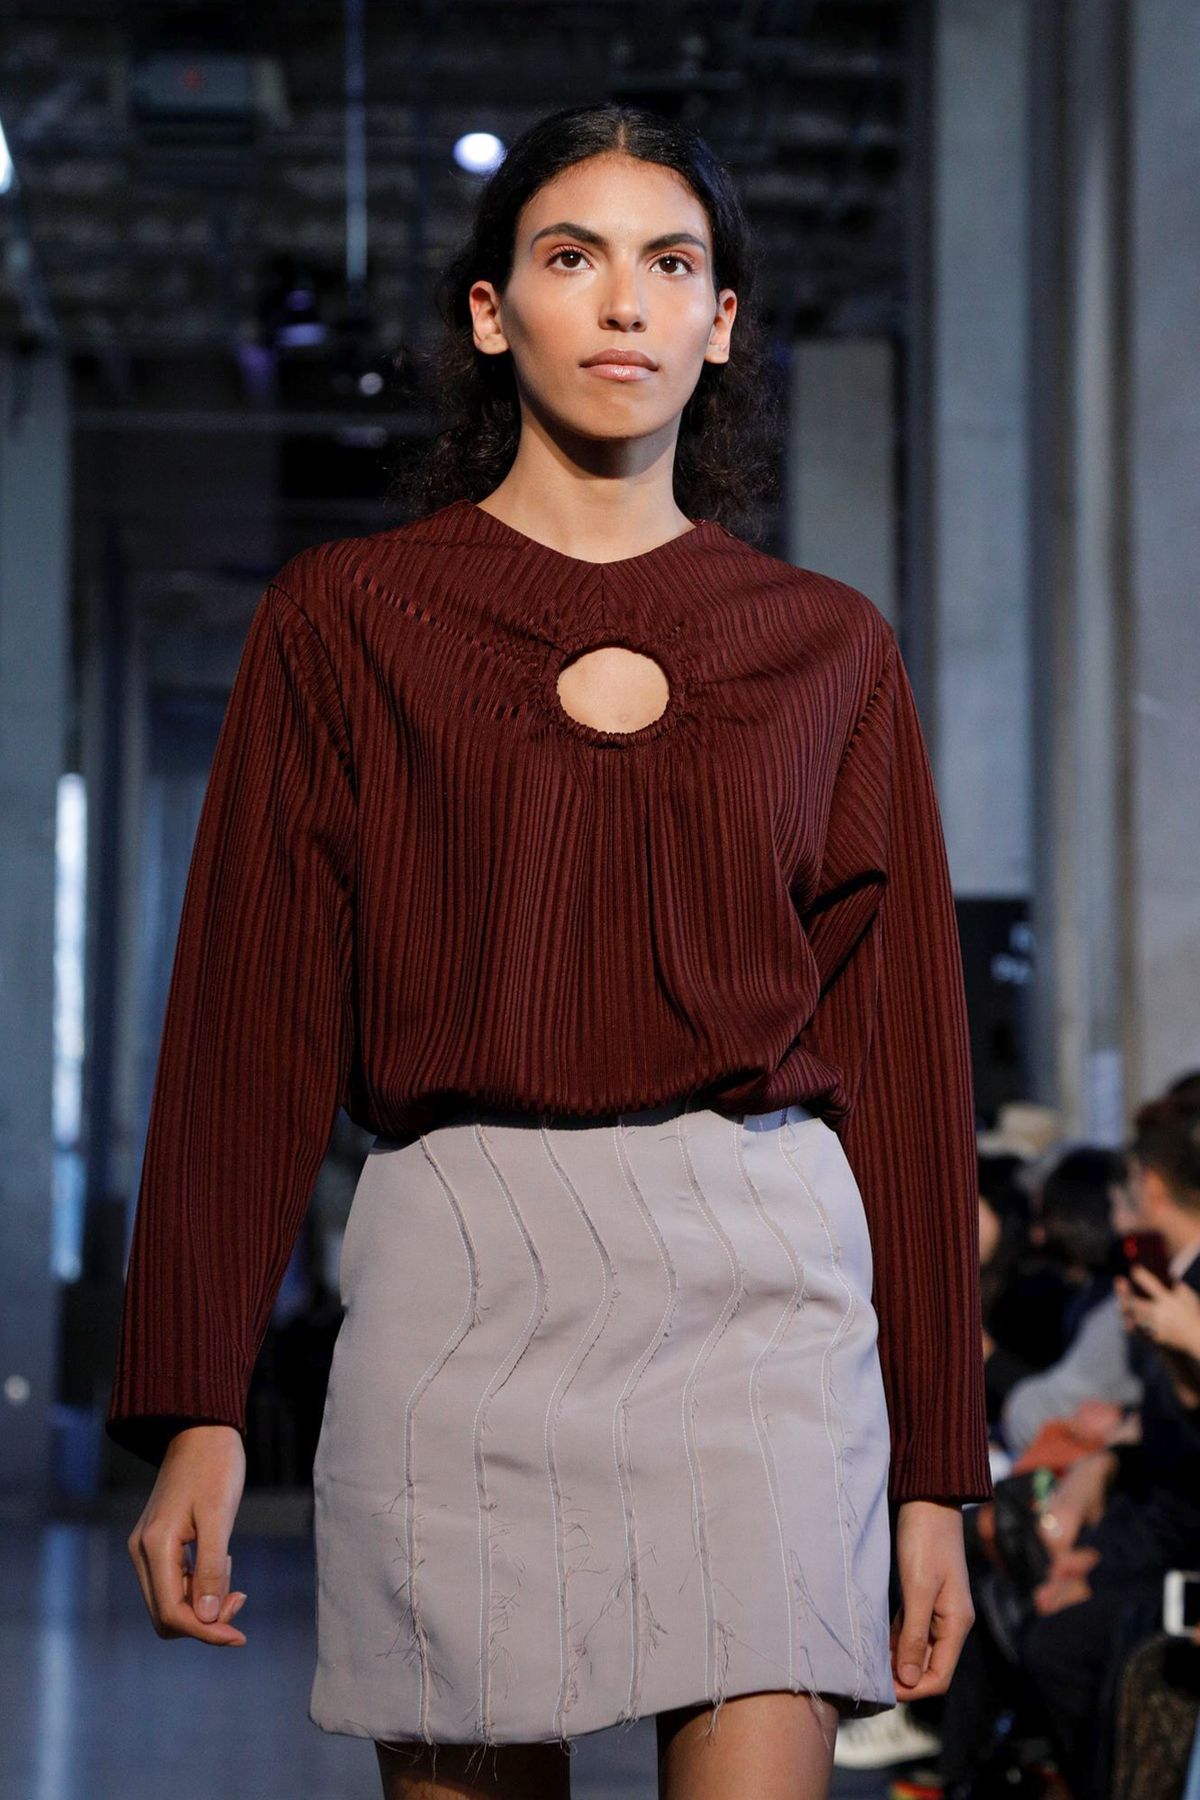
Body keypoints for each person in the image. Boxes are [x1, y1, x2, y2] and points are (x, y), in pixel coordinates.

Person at [105, 102, 993, 1800]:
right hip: (460, 1286)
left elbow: (905, 1069)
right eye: (573, 257)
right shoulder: (347, 622)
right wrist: (196, 1401)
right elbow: (248, 1026)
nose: (625, 301)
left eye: (672, 264)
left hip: (763, 1295)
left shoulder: (826, 649)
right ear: (492, 309)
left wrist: (938, 1471)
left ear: (721, 324)